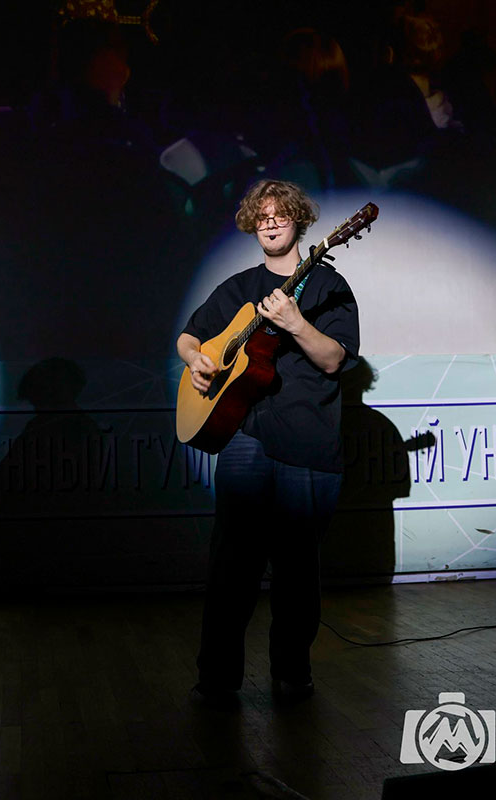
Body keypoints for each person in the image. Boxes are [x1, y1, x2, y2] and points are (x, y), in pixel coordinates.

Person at [177, 180, 359, 704]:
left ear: (300, 221)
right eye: (262, 217)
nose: (271, 223)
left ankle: (292, 674)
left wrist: (296, 324)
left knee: (298, 571)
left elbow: (334, 359)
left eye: (280, 215)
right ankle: (216, 679)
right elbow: (189, 337)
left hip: (308, 441)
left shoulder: (329, 286)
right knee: (230, 566)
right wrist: (196, 361)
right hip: (246, 438)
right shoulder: (239, 287)